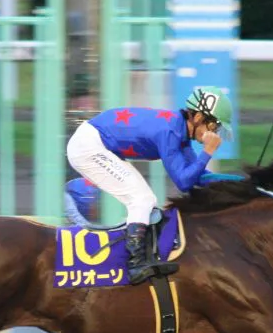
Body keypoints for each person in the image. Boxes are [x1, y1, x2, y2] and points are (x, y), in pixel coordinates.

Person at [65, 85, 233, 285]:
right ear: (198, 117)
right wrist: (207, 152)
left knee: (144, 199)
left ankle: (141, 258)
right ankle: (135, 264)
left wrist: (239, 181)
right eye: (214, 126)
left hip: (96, 144)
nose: (215, 132)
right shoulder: (169, 132)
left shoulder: (179, 133)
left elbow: (197, 177)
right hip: (88, 147)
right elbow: (184, 182)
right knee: (142, 199)